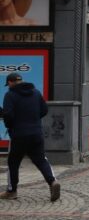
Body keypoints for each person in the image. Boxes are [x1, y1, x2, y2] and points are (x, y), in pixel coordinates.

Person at [0, 73, 60, 201]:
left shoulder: (10, 95)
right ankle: (53, 181)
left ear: (10, 82)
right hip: (36, 133)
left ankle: (12, 191)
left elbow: (8, 116)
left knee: (13, 162)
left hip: (19, 135)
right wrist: (33, 120)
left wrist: (10, 126)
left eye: (8, 84)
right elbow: (44, 110)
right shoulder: (36, 92)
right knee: (41, 159)